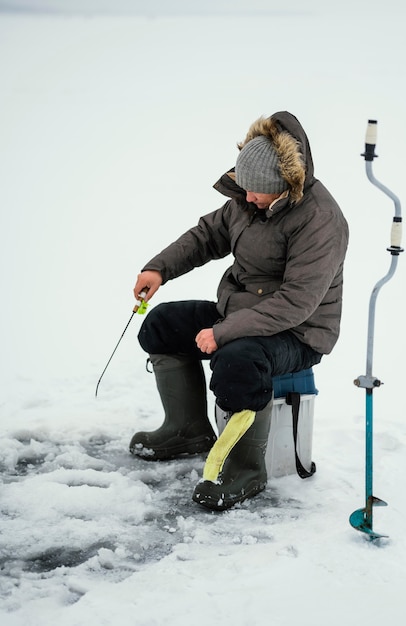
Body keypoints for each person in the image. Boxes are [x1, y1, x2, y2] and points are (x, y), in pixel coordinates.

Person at [130, 111, 349, 511]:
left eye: (255, 192)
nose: (245, 198)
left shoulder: (320, 219)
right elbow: (206, 236)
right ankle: (188, 430)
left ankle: (247, 470)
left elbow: (298, 301)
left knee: (238, 360)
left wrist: (225, 332)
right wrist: (159, 268)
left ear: (283, 186)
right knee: (162, 325)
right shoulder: (247, 201)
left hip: (299, 332)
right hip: (241, 314)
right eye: (244, 189)